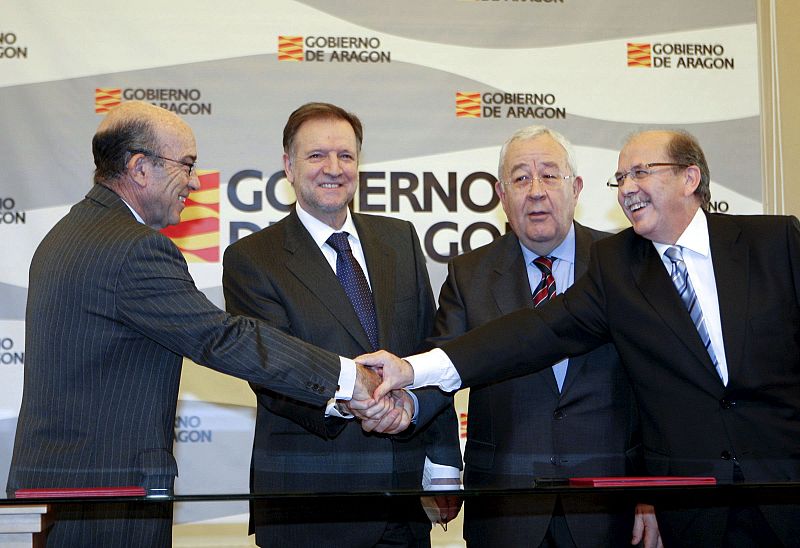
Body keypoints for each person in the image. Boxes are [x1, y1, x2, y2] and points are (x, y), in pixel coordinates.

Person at [361, 129, 800, 547]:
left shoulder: (775, 242)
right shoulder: (621, 265)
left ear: (689, 178)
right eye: (621, 177)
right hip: (696, 511)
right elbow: (533, 333)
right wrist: (412, 368)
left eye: (641, 172)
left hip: (785, 491)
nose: (627, 189)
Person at [6, 101, 392, 547]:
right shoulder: (134, 249)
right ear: (140, 168)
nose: (194, 181)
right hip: (105, 500)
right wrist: (348, 377)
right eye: (187, 165)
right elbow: (221, 337)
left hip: (62, 492)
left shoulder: (69, 233)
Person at [222, 102, 462, 548]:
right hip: (309, 508)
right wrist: (352, 401)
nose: (333, 168)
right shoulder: (252, 259)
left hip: (403, 502)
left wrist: (444, 461)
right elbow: (270, 373)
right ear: (288, 166)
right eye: (316, 155)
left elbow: (431, 354)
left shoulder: (400, 239)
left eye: (345, 156)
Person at [429, 125, 657, 547]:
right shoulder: (468, 275)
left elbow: (656, 386)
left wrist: (651, 492)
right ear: (501, 195)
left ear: (576, 188)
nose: (536, 191)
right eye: (520, 178)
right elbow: (439, 374)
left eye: (550, 175)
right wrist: (441, 468)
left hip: (609, 505)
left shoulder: (626, 264)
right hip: (504, 503)